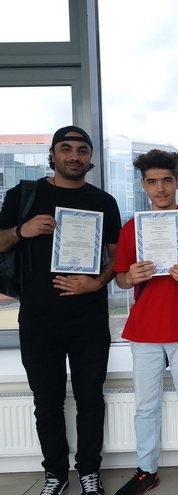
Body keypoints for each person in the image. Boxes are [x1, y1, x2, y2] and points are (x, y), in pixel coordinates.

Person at [0, 126, 121, 495]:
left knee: (90, 400)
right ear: (52, 154)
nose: (74, 156)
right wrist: (22, 230)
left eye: (82, 150)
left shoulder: (104, 201)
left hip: (89, 318)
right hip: (38, 319)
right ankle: (55, 473)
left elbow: (116, 259)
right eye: (66, 149)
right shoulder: (23, 195)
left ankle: (89, 473)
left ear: (90, 157)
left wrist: (96, 284)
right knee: (46, 402)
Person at [113, 150, 178, 495]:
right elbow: (120, 280)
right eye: (152, 181)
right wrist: (130, 275)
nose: (160, 188)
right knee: (145, 406)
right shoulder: (132, 228)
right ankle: (147, 470)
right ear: (143, 185)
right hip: (144, 330)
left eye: (167, 181)